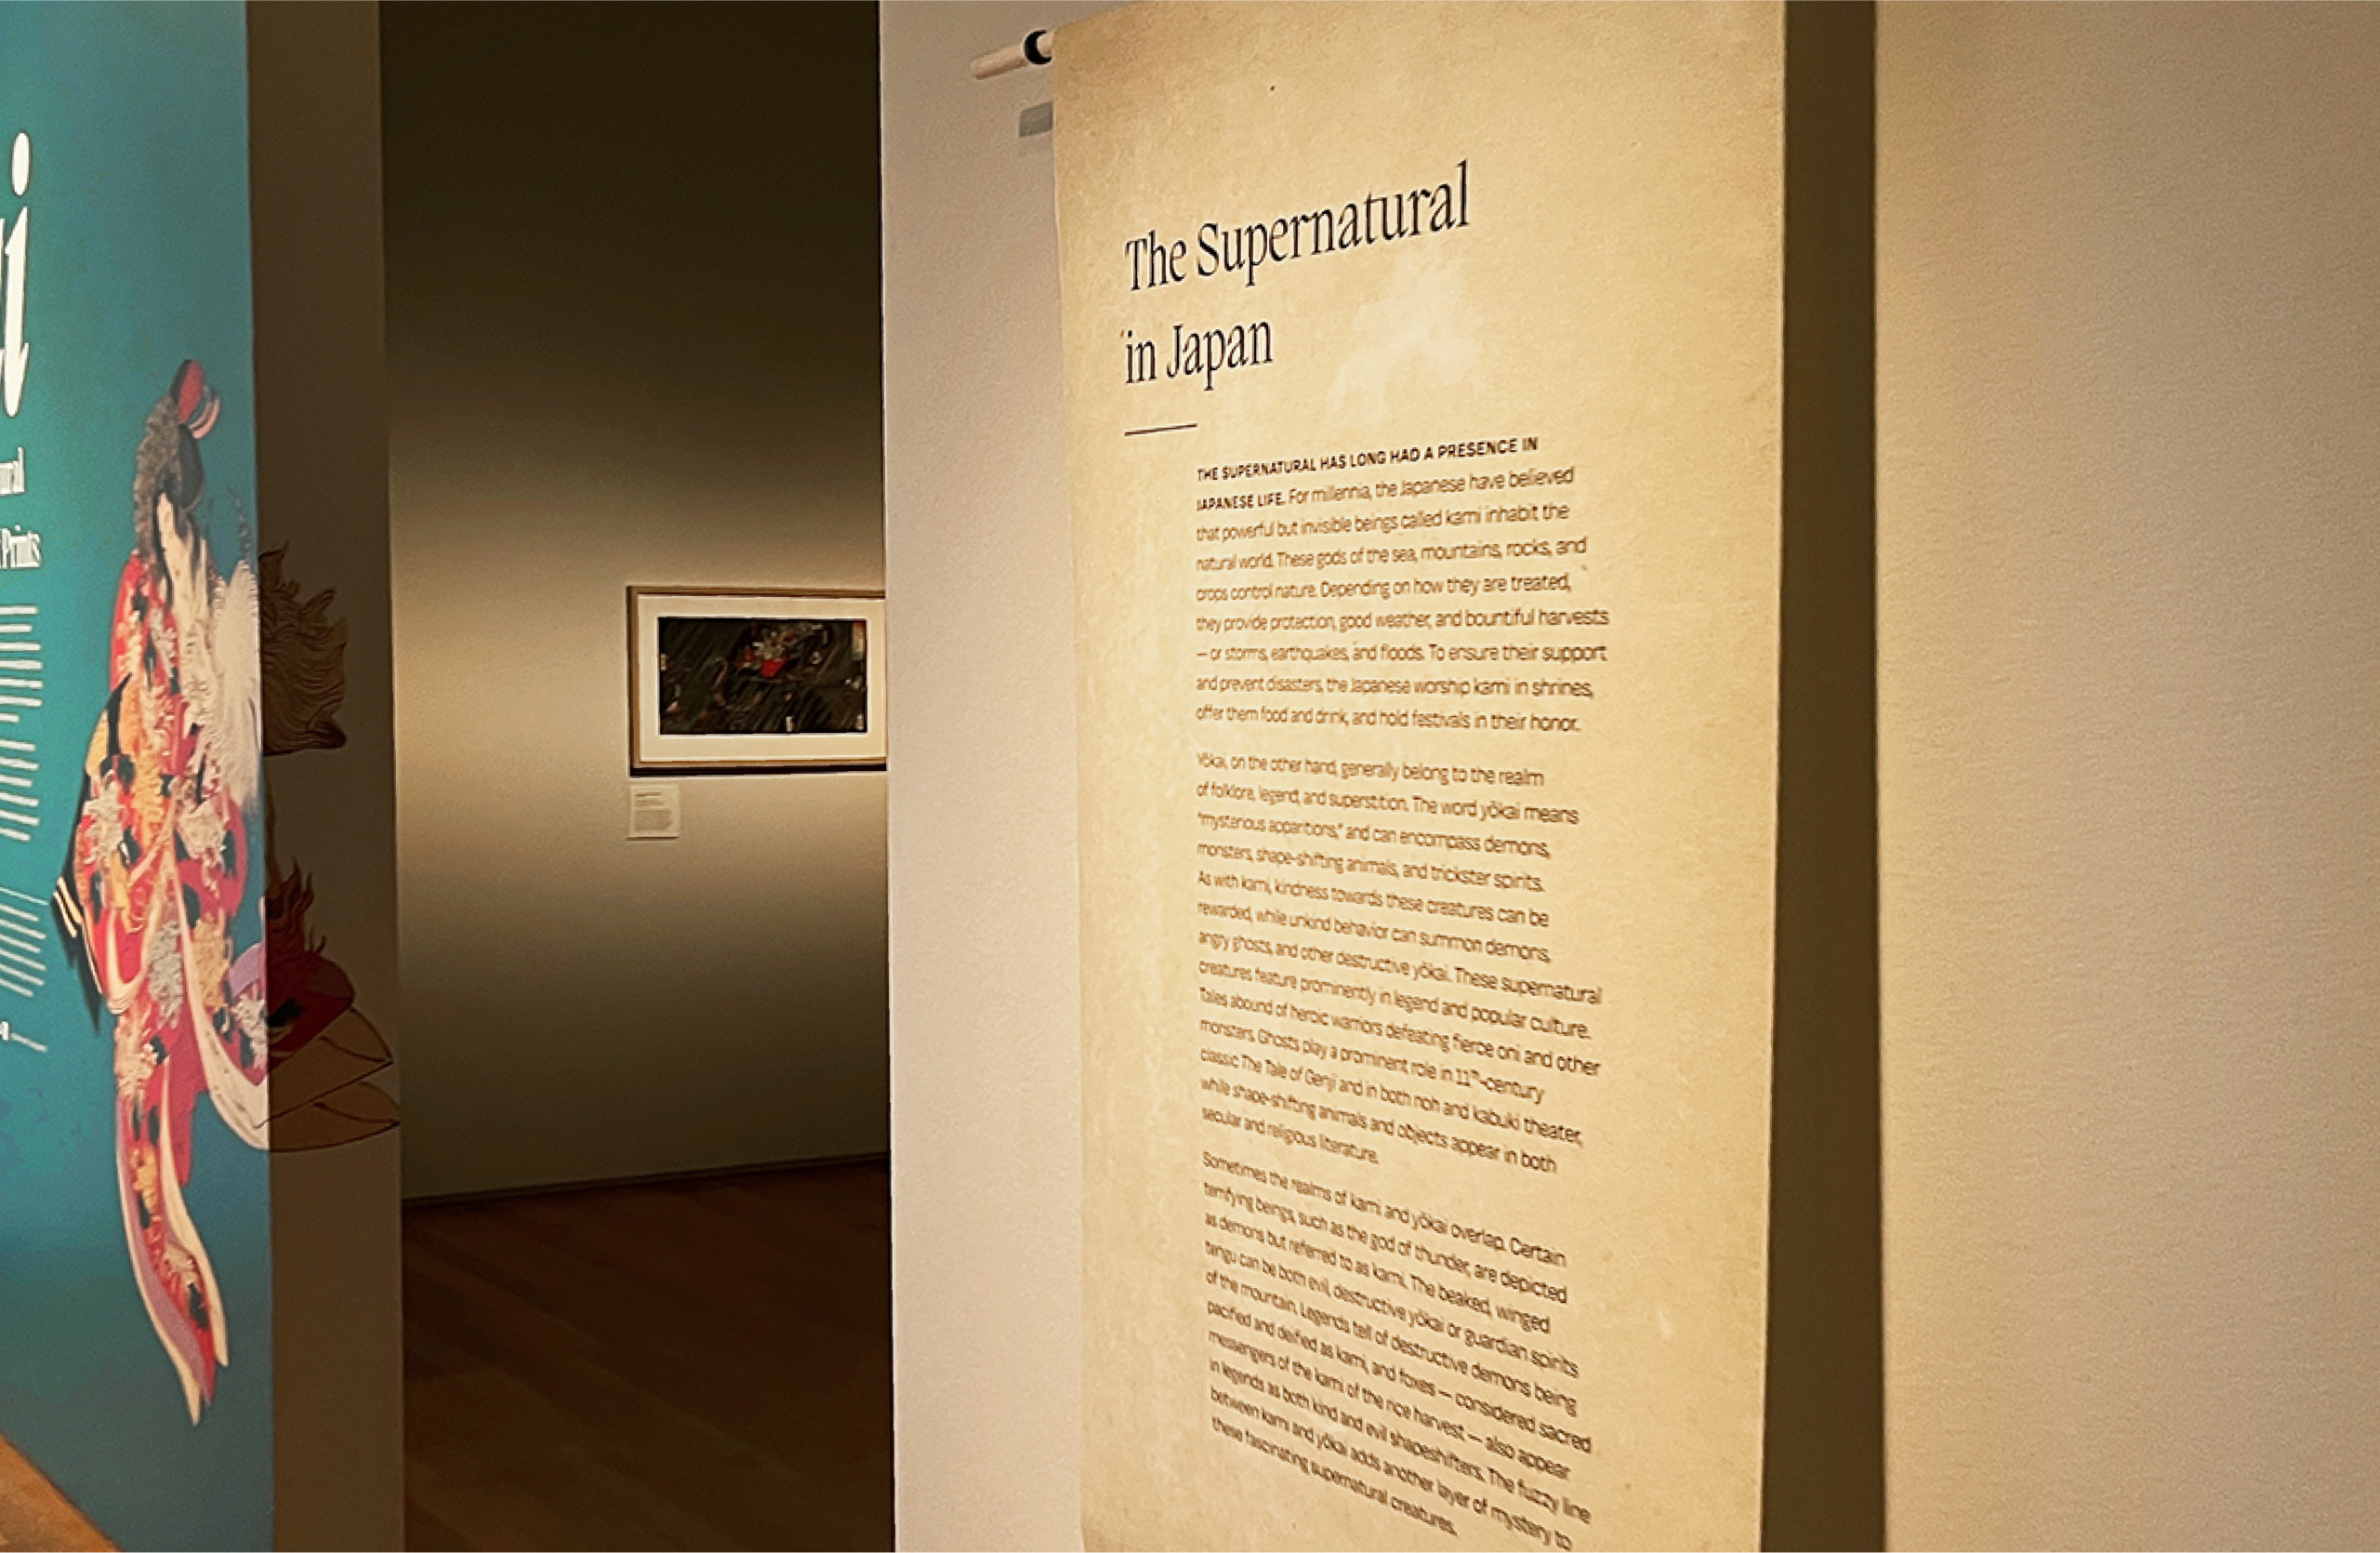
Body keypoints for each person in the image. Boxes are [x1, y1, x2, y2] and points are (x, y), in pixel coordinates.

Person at [52, 360, 264, 1423]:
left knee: (190, 1040)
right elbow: (140, 725)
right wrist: (169, 813)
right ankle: (181, 1299)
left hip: (176, 842)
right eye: (179, 512)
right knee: (153, 1070)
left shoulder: (176, 578)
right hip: (148, 854)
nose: (187, 530)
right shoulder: (146, 591)